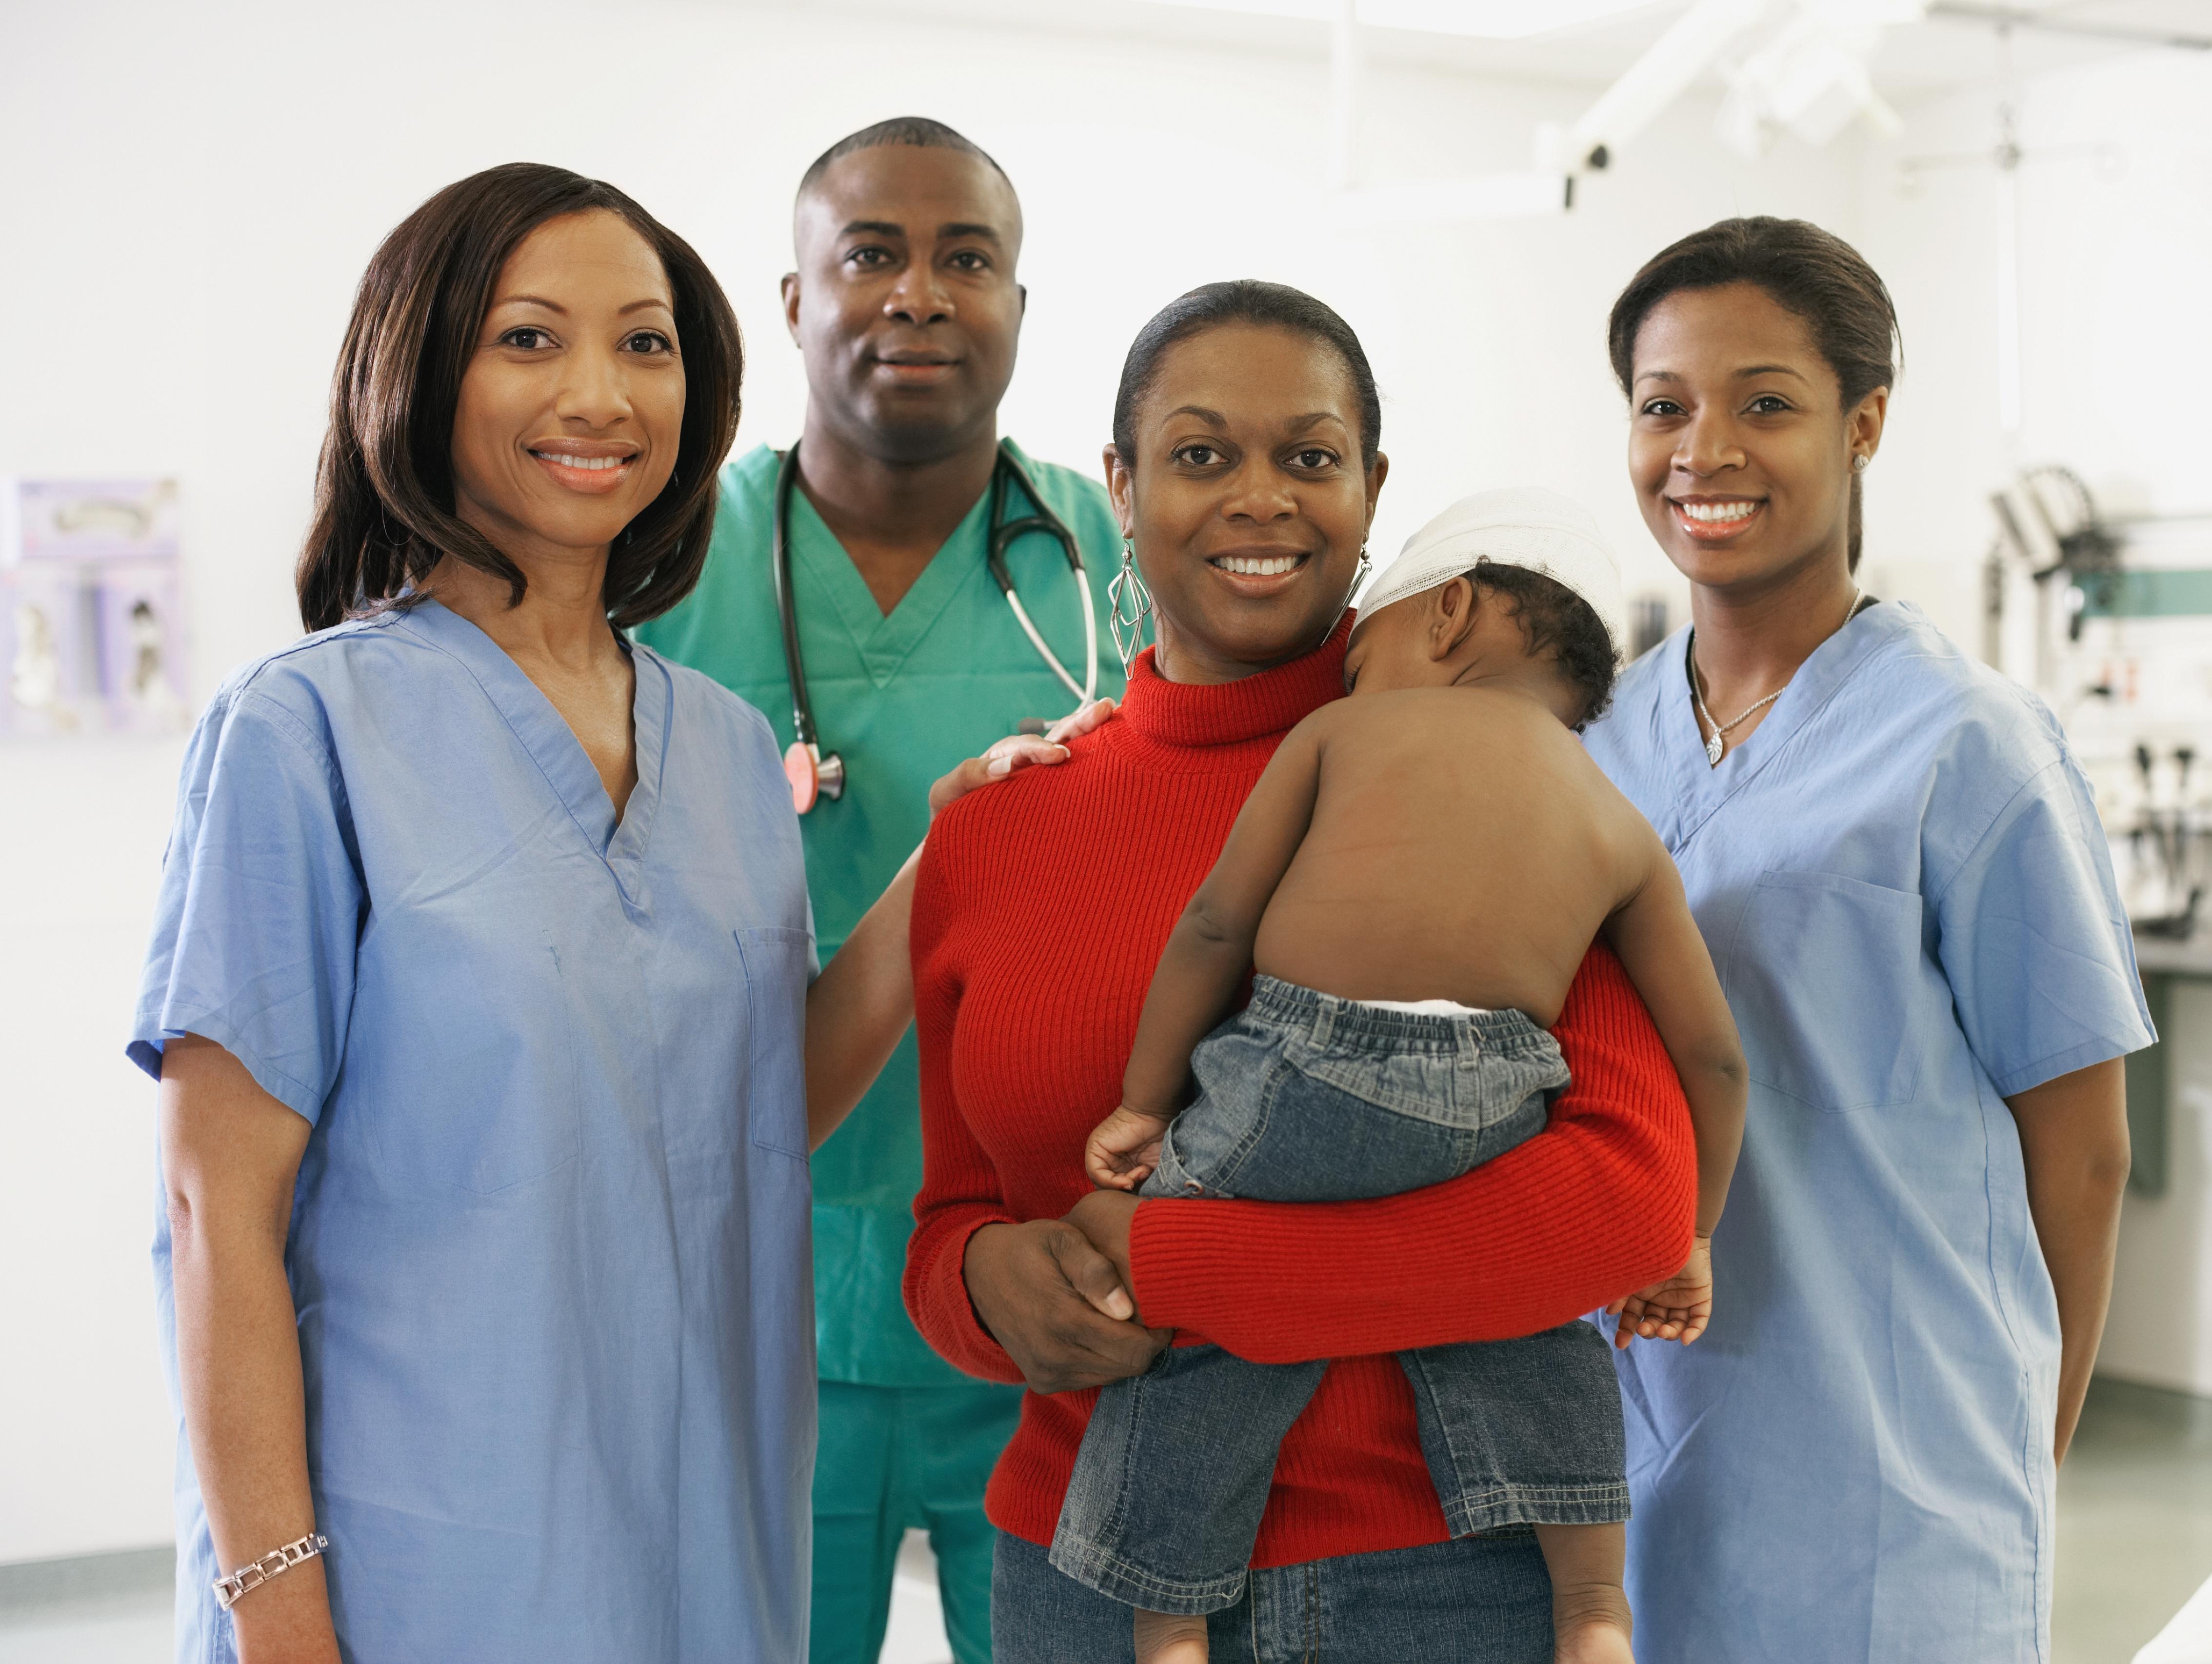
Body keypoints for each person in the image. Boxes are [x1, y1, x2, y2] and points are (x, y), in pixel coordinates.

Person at [128, 162, 960, 1664]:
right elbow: (213, 1213)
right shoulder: (304, 734)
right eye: (529, 338)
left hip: (701, 1544)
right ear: (420, 366)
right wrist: (281, 1613)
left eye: (644, 343)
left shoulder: (714, 744)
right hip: (417, 1562)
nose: (598, 391)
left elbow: (756, 1104)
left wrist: (948, 856)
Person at [903, 281, 1698, 1664]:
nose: (1258, 498)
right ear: (1120, 485)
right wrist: (983, 1285)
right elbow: (948, 1215)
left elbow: (1627, 1204)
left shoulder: (1485, 787)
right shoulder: (996, 822)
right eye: (1201, 453)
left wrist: (1180, 1259)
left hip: (1435, 1577)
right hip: (1078, 1574)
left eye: (1310, 456)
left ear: (1370, 490)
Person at [1580, 217, 2153, 1664]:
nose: (1701, 449)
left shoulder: (1967, 744)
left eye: (1763, 402)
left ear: (1862, 425)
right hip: (1627, 1462)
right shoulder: (1593, 737)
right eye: (1663, 406)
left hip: (1895, 1478)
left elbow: (2081, 1150)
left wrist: (2022, 1441)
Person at [1066, 487, 1751, 1664]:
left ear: (1447, 616)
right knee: (1532, 1316)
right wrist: (1691, 1233)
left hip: (1303, 1064)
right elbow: (1713, 1054)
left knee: (1197, 1312)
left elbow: (1218, 926)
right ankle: (1592, 1605)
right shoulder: (1614, 817)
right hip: (1492, 1095)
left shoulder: (1340, 733)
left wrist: (1144, 1100)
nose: (1346, 679)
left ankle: (1170, 1615)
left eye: (1359, 655)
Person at [634, 117, 1126, 1664]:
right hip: (758, 1290)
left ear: (1018, 311)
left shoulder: (1105, 553)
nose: (917, 293)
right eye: (869, 255)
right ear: (792, 301)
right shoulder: (667, 557)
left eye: (964, 258)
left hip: (1044, 1282)